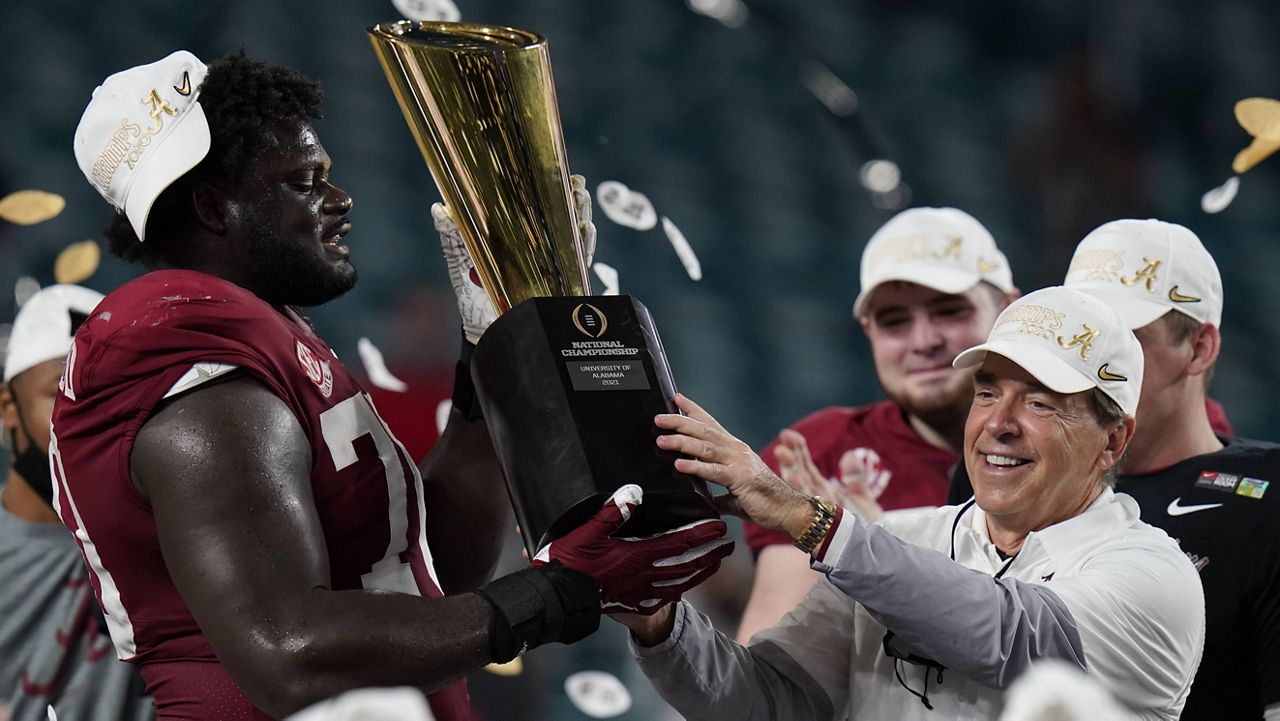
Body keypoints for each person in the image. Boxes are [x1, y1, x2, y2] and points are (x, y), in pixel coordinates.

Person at [55, 50, 730, 720]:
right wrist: (557, 590)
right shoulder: (196, 372)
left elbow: (421, 575)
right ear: (213, 207)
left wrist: (487, 362)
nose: (339, 199)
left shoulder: (262, 338)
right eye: (304, 181)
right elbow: (289, 653)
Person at [621, 286, 1205, 720]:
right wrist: (659, 622)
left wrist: (808, 519)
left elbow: (1016, 635)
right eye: (987, 393)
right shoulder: (899, 537)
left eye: (1041, 403)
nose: (998, 423)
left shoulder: (1152, 574)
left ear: (1113, 440)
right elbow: (778, 702)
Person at [737, 207, 1019, 641]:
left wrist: (867, 547)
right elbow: (773, 677)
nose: (924, 341)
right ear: (867, 331)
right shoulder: (817, 454)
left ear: (1009, 311)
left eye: (949, 311)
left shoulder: (1076, 448)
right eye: (894, 322)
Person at [1054, 219, 1279, 720]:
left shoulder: (1272, 502)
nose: (1092, 362)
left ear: (1199, 348)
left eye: (1123, 338)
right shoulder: (1003, 476)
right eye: (1080, 336)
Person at [0, 285, 152, 721]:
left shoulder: (175, 527)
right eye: (58, 393)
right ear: (7, 407)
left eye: (107, 395)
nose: (84, 417)